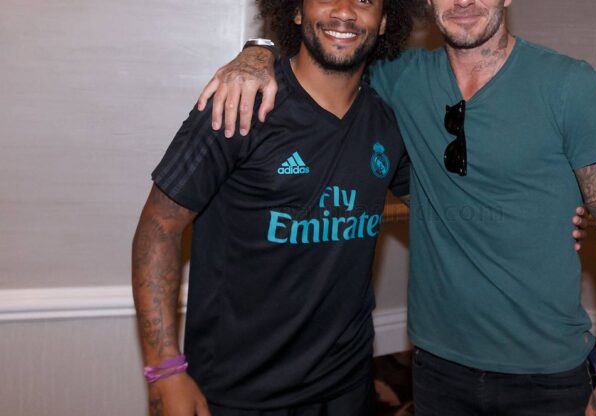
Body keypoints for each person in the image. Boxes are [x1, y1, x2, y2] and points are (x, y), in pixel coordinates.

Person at [199, 0, 596, 415]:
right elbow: (329, 45)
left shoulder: (570, 84)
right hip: (437, 367)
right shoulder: (399, 75)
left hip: (546, 371)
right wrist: (258, 51)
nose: (464, 1)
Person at [131, 0, 426, 415]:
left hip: (347, 386)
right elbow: (159, 227)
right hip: (238, 392)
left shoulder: (387, 121)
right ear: (296, 11)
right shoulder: (240, 104)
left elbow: (440, 207)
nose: (344, 11)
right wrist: (164, 369)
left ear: (384, 22)